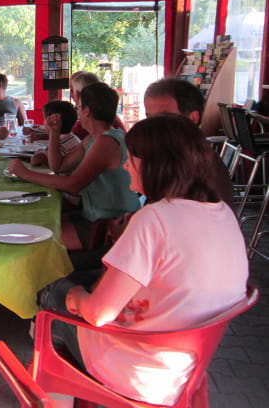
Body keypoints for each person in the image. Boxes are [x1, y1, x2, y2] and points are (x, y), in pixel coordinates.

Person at [38, 114, 248, 407]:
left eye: (132, 159)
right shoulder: (222, 213)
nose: (125, 165)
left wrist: (72, 296)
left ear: (156, 165)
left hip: (138, 369)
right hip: (186, 367)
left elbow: (98, 314)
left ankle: (57, 393)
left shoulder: (155, 218)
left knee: (49, 300)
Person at [8, 82, 141, 229]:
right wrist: (54, 133)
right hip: (95, 214)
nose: (78, 114)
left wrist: (25, 173)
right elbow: (58, 166)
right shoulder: (93, 137)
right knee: (36, 219)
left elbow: (74, 184)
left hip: (111, 224)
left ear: (87, 111)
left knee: (39, 232)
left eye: (78, 108)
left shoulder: (106, 141)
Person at [143, 77, 234, 207]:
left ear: (192, 118)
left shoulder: (198, 166)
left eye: (164, 118)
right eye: (149, 117)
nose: (153, 126)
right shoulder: (165, 156)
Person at [69, 71, 125, 139]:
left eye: (72, 90)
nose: (71, 94)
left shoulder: (91, 123)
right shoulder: (108, 116)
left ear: (77, 94)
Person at [29, 101, 80, 167]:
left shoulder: (58, 143)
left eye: (44, 119)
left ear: (53, 123)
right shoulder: (71, 136)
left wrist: (38, 153)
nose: (43, 123)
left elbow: (36, 160)